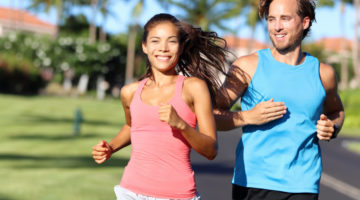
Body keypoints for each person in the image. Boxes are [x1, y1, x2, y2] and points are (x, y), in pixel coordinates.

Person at [214, 0, 345, 199]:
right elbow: (212, 115)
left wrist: (332, 127)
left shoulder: (323, 73)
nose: (276, 27)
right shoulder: (247, 66)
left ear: (305, 22)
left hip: (303, 185)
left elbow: (336, 112)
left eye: (285, 18)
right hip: (253, 183)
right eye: (271, 19)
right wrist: (247, 117)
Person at [92, 13, 230, 200]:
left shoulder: (194, 87)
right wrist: (110, 147)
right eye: (155, 41)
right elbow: (133, 126)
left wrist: (181, 124)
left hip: (177, 195)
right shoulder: (129, 92)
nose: (163, 48)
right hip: (131, 191)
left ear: (181, 47)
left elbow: (211, 150)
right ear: (145, 46)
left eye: (171, 41)